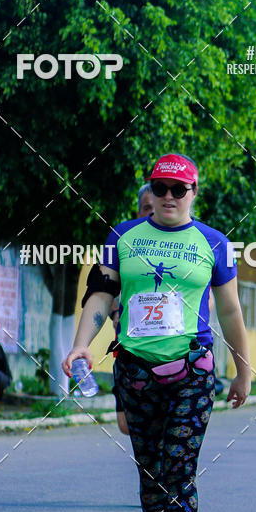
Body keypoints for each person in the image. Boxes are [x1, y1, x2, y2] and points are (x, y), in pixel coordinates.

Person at [62, 153, 251, 512]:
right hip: (134, 370)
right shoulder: (123, 236)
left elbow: (230, 310)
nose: (168, 197)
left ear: (193, 193)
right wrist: (80, 344)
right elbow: (101, 293)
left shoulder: (214, 243)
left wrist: (243, 371)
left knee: (178, 464)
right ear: (151, 190)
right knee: (149, 469)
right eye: (161, 188)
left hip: (192, 370)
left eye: (178, 189)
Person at [111, 183, 155, 435]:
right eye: (146, 208)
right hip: (128, 349)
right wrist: (117, 315)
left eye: (154, 207)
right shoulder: (123, 241)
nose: (151, 213)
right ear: (138, 211)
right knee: (126, 425)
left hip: (171, 353)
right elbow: (105, 292)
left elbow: (209, 297)